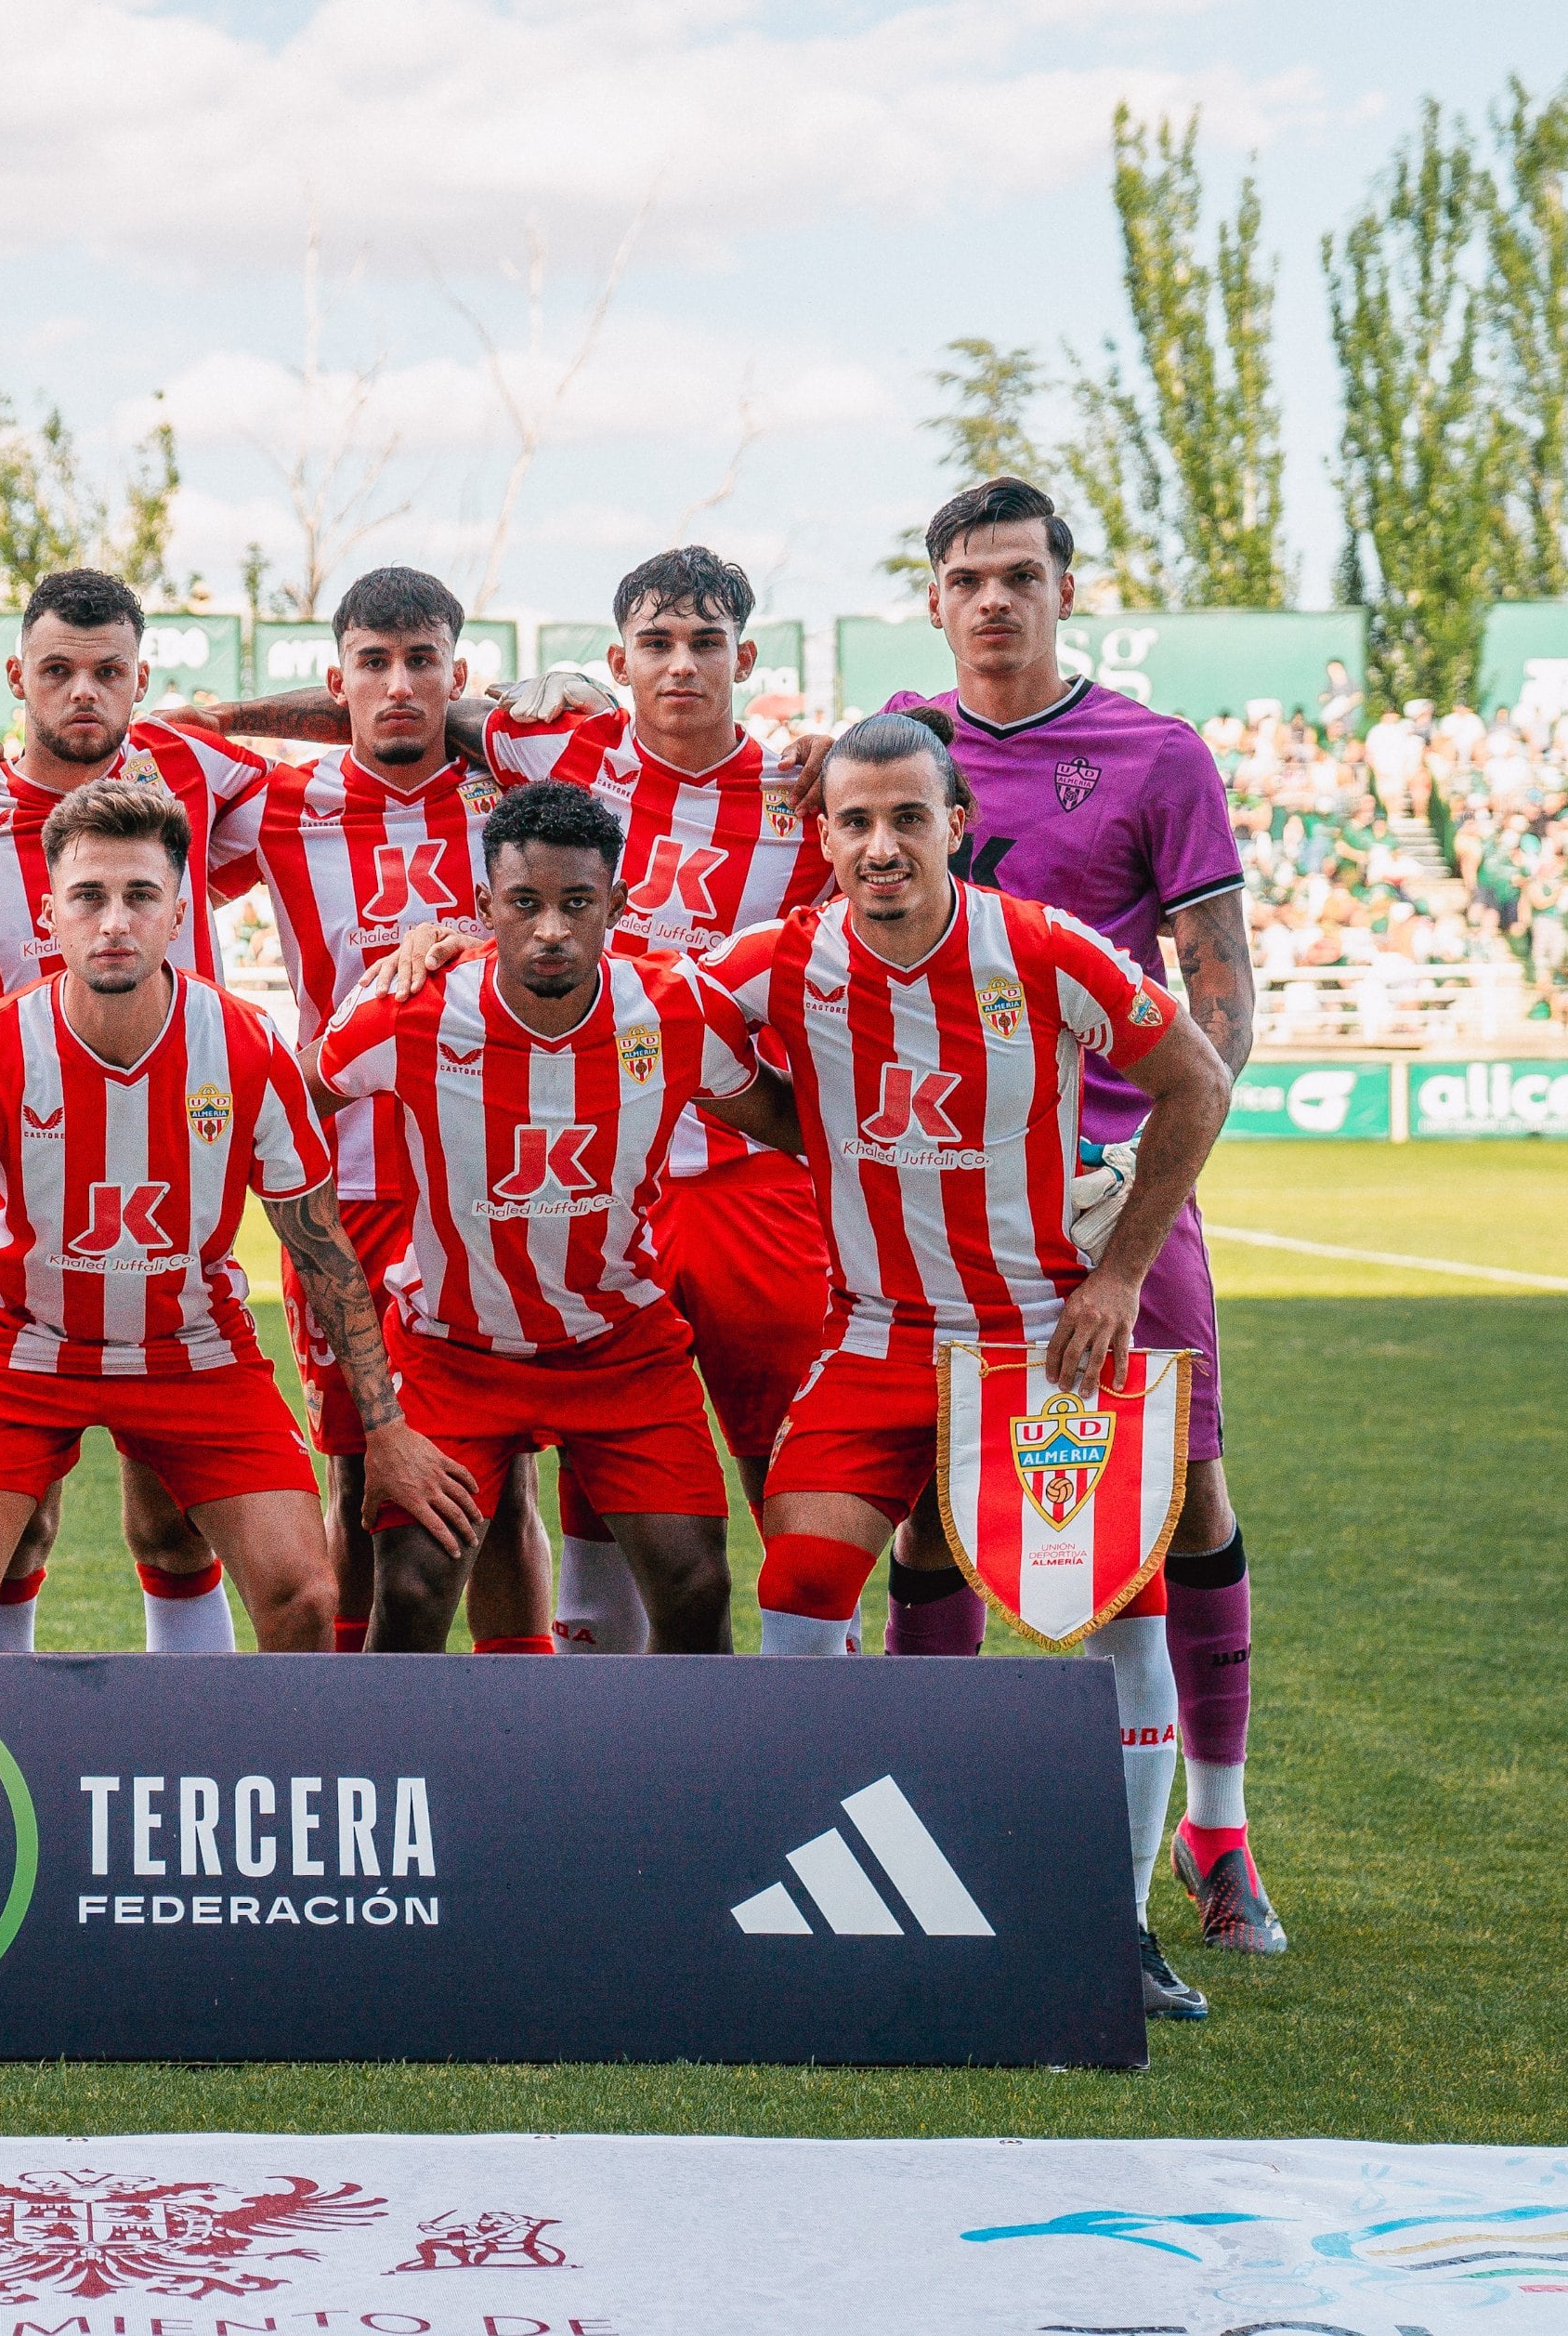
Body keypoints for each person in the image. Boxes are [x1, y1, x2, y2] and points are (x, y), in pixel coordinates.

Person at [693, 708, 1232, 2021]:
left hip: (1040, 1340)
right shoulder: (773, 964)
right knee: (804, 1578)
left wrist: (1117, 1276)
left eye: (907, 817)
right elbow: (688, 1050)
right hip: (877, 1334)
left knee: (1126, 1611)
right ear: (821, 838)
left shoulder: (1045, 950)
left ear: (957, 825)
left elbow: (1198, 1082)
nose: (881, 845)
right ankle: (810, 1897)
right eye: (855, 822)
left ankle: (1119, 1918)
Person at [210, 547, 831, 1655]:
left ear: (745, 657)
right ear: (617, 659)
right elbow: (396, 704)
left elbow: (912, 845)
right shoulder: (553, 748)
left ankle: (804, 1707)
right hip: (453, 1166)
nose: (679, 666)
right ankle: (463, 1733)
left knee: (777, 1465)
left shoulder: (808, 790)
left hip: (725, 1167)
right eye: (655, 644)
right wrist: (207, 710)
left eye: (703, 645)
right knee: (389, 1486)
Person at [0, 781, 466, 1650]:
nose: (113, 921)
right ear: (50, 913)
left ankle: (229, 1776)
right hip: (18, 1340)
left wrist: (388, 1429)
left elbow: (322, 1253)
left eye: (140, 895)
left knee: (304, 1596)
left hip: (194, 1346)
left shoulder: (247, 1048)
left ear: (179, 911)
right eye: (88, 897)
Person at [881, 476, 1287, 1961]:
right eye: (967, 576)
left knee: (1184, 1497)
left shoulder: (1153, 754)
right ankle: (938, 1828)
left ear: (1065, 589)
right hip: (948, 1193)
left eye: (1020, 574)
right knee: (934, 1492)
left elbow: (1221, 985)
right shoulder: (895, 751)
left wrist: (1159, 1152)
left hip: (1118, 1192)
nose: (994, 598)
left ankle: (1220, 1834)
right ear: (932, 599)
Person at [0, 566, 279, 1653]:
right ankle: (14, 1754)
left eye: (109, 673)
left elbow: (356, 752)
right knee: (12, 1530)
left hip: (183, 1205)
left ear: (141, 681)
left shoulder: (188, 769)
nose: (84, 693)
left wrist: (220, 716)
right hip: (27, 1206)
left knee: (174, 1516)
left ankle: (190, 1752)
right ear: (15, 677)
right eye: (59, 671)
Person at [313, 782, 761, 1653]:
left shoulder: (675, 1009)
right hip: (454, 1347)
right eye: (526, 903)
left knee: (698, 1584)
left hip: (620, 1347)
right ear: (485, 908)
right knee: (407, 1590)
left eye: (576, 904)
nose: (551, 928)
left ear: (617, 906)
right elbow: (283, 1119)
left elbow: (800, 1125)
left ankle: (672, 1784)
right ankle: (406, 1785)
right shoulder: (411, 1010)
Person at [239, 567, 554, 1654]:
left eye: (422, 659)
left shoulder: (509, 789)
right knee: (358, 1460)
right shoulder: (277, 807)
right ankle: (357, 1717)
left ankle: (524, 1712)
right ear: (338, 684)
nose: (399, 683)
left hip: (491, 1177)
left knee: (500, 1477)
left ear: (457, 673)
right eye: (373, 663)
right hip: (348, 1180)